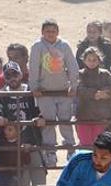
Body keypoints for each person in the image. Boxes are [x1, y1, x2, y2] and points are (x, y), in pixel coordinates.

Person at [0, 61, 47, 186]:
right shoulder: (3, 94)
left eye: (15, 74)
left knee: (39, 185)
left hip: (34, 144)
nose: (12, 78)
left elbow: (41, 109)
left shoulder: (30, 92)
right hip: (16, 148)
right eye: (8, 76)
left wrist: (41, 118)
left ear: (21, 74)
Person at [28, 19, 80, 167]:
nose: (50, 34)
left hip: (63, 91)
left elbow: (72, 67)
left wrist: (73, 86)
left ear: (58, 32)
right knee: (49, 121)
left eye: (53, 31)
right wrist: (34, 88)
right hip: (45, 92)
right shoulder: (38, 46)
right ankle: (50, 151)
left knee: (65, 120)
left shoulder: (64, 45)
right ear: (42, 32)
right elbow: (33, 68)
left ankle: (70, 148)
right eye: (47, 31)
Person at [76, 48, 111, 148]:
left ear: (99, 60)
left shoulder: (105, 74)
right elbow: (80, 89)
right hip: (84, 116)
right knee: (85, 146)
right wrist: (95, 94)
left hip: (100, 117)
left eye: (94, 60)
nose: (92, 62)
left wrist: (106, 93)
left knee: (98, 146)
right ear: (84, 60)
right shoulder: (80, 74)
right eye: (89, 60)